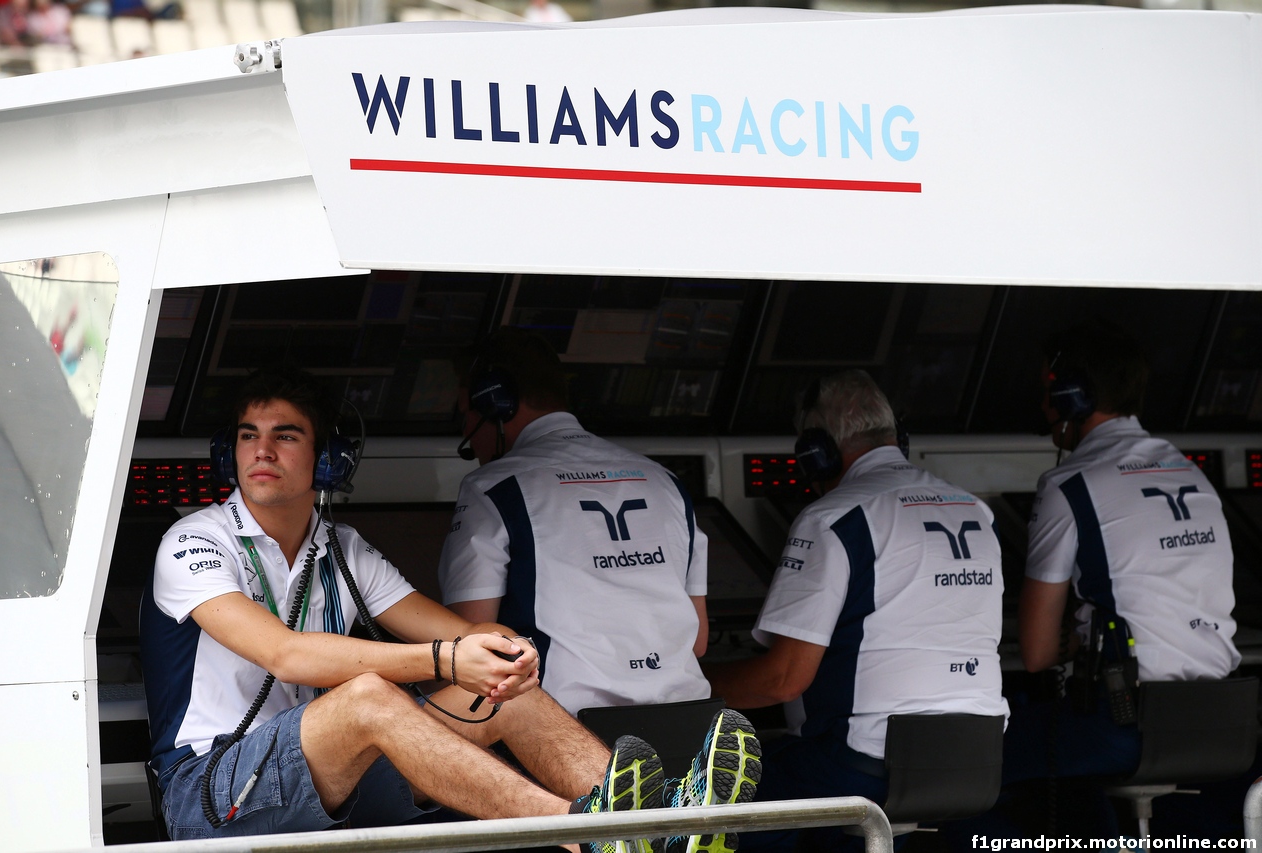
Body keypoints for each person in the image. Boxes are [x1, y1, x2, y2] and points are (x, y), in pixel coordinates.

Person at [140, 363, 761, 852]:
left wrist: (500, 653)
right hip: (212, 791)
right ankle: (590, 831)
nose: (262, 452)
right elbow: (288, 654)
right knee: (366, 697)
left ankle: (664, 824)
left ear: (328, 458)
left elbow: (461, 633)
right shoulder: (195, 540)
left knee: (500, 692)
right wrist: (447, 658)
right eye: (248, 436)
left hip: (327, 782)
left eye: (285, 436)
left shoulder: (343, 548)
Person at [704, 370, 1008, 852]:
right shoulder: (974, 510)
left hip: (861, 766)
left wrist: (684, 687)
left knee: (708, 792)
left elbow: (782, 681)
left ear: (816, 451)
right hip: (979, 758)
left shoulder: (834, 517)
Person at [1006, 321, 1240, 783]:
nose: (1043, 406)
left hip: (1126, 724)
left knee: (979, 761)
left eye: (1049, 392)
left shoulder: (1069, 485)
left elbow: (1034, 652)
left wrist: (1071, 640)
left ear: (1074, 396)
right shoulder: (1193, 475)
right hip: (1223, 721)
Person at [439, 328, 714, 720]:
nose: (467, 429)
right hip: (691, 722)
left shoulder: (494, 488)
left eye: (466, 411)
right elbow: (698, 641)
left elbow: (468, 642)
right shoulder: (665, 480)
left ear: (494, 402)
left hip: (565, 734)